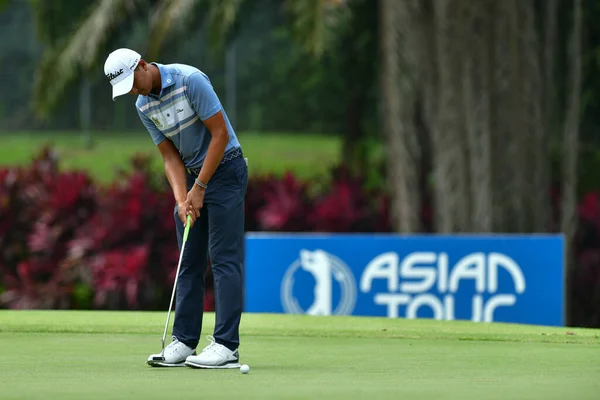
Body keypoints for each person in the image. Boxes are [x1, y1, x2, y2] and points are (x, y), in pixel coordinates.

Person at [103, 48, 248, 369]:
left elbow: (220, 134)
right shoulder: (143, 105)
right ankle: (184, 340)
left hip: (226, 170)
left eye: (133, 83)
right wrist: (182, 198)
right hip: (194, 178)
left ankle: (226, 346)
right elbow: (169, 157)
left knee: (224, 259)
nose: (134, 92)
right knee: (189, 260)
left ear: (142, 65)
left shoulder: (189, 80)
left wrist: (200, 187)